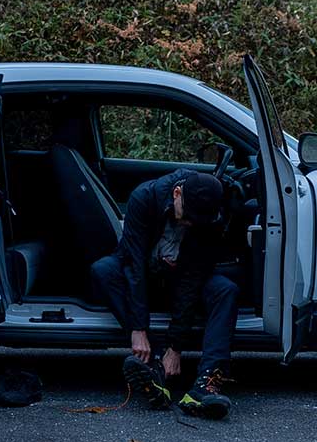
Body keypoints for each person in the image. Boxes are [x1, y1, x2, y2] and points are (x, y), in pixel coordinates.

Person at [88, 168, 238, 419]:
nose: (190, 223)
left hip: (183, 277)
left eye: (197, 221)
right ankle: (152, 364)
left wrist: (176, 346)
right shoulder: (144, 197)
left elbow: (192, 280)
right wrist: (138, 328)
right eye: (187, 216)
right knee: (103, 270)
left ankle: (205, 385)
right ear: (177, 193)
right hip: (144, 272)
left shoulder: (212, 216)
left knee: (226, 290)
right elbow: (133, 264)